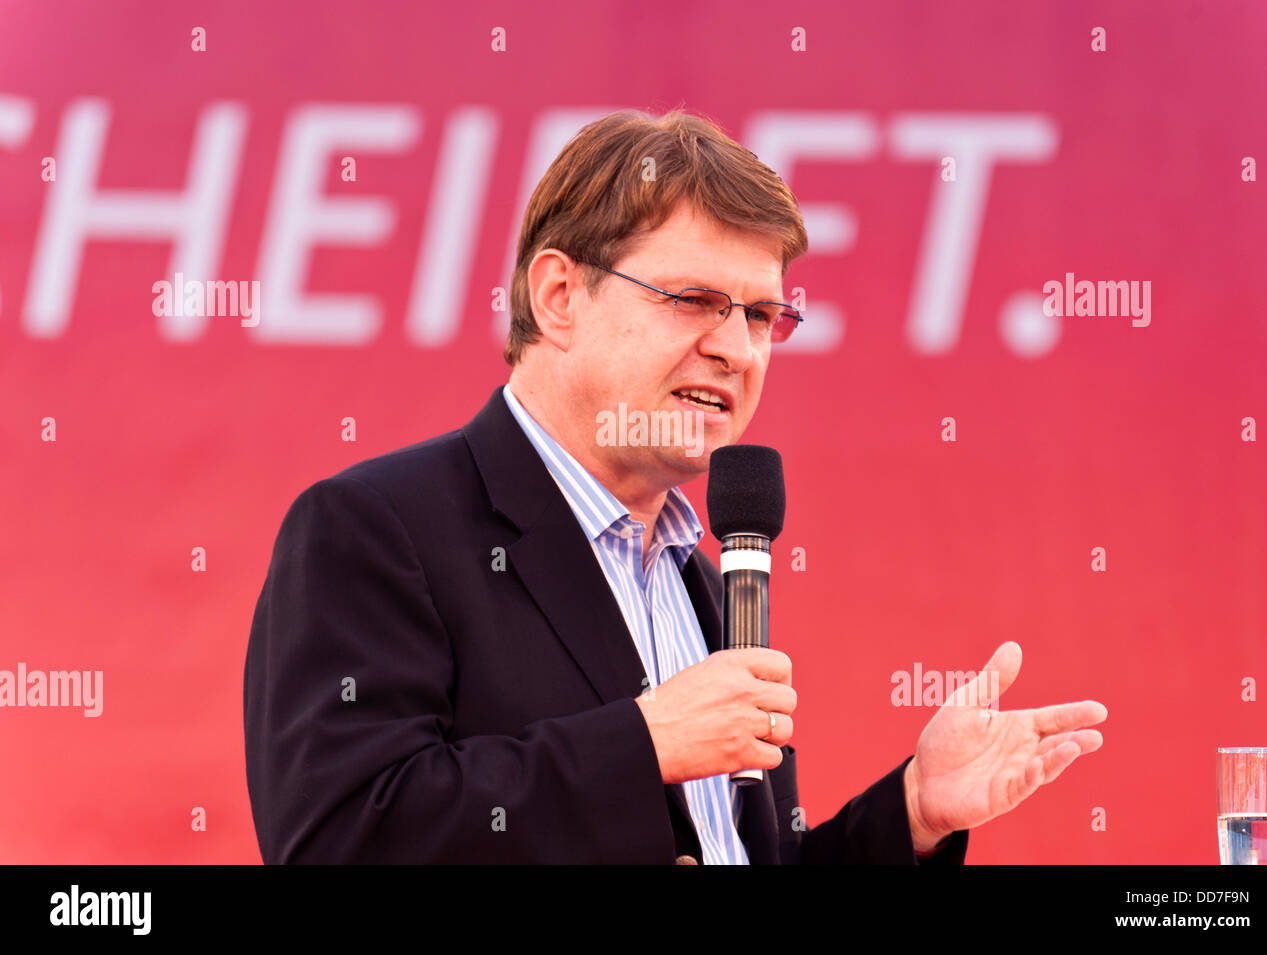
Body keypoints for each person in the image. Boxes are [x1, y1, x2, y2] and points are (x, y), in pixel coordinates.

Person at [243, 108, 1106, 864]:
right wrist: (644, 741)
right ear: (559, 296)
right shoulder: (377, 529)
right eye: (694, 298)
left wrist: (914, 810)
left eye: (763, 315)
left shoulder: (702, 579)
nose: (738, 348)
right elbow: (339, 834)